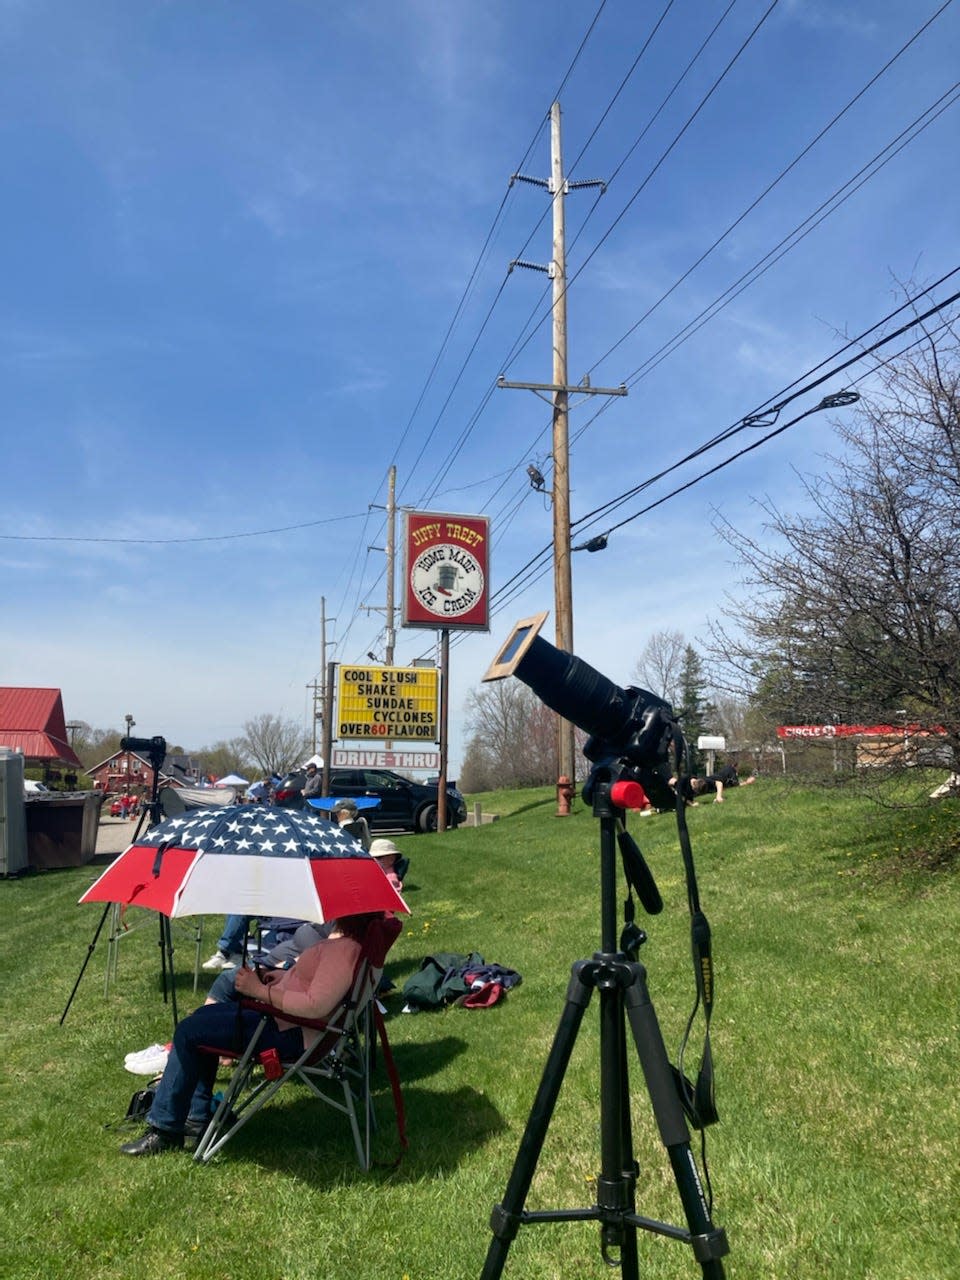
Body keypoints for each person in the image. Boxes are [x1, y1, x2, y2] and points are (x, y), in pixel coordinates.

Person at [118, 913, 378, 1156]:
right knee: (200, 1021)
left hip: (288, 1033)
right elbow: (317, 991)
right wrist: (282, 979)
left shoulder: (344, 951)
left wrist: (259, 991)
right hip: (290, 1025)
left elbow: (315, 1006)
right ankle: (195, 1118)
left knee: (190, 1031)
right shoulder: (353, 947)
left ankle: (164, 1130)